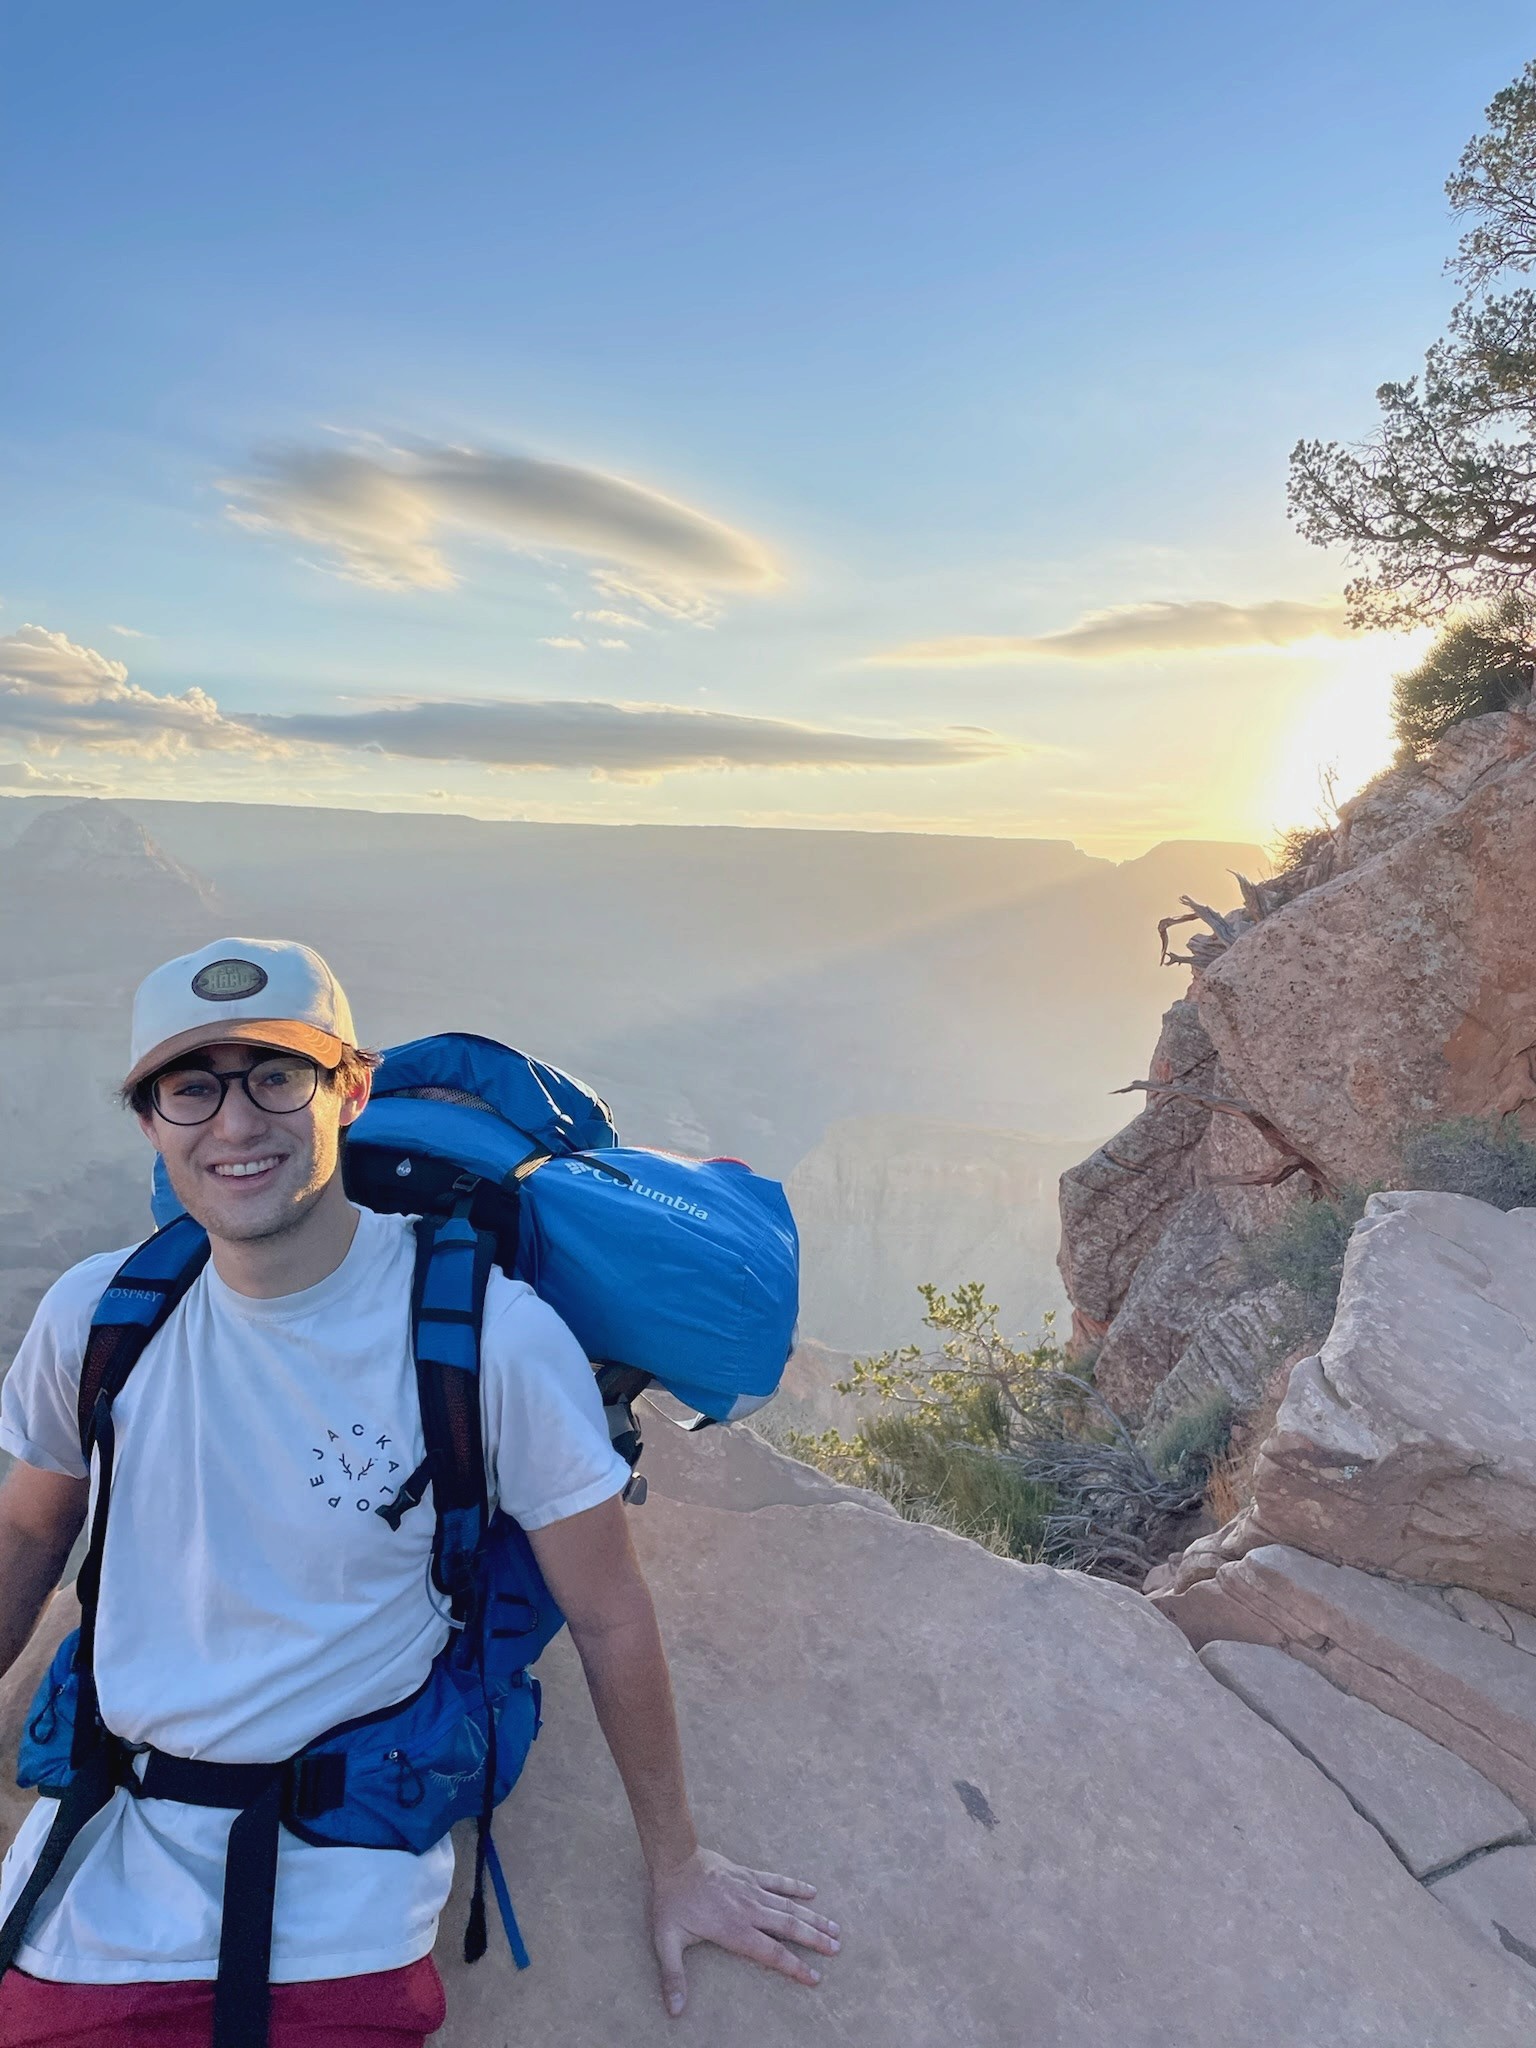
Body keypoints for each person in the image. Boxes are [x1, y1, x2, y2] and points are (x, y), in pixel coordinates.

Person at [0, 938, 838, 2048]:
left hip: (337, 1916)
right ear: (150, 1119)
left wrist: (678, 1861)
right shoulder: (94, 1314)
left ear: (351, 1087)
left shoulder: (489, 1337)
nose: (237, 1122)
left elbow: (608, 1609)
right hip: (90, 1895)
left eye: (277, 1074)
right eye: (193, 1085)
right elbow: (26, 1530)